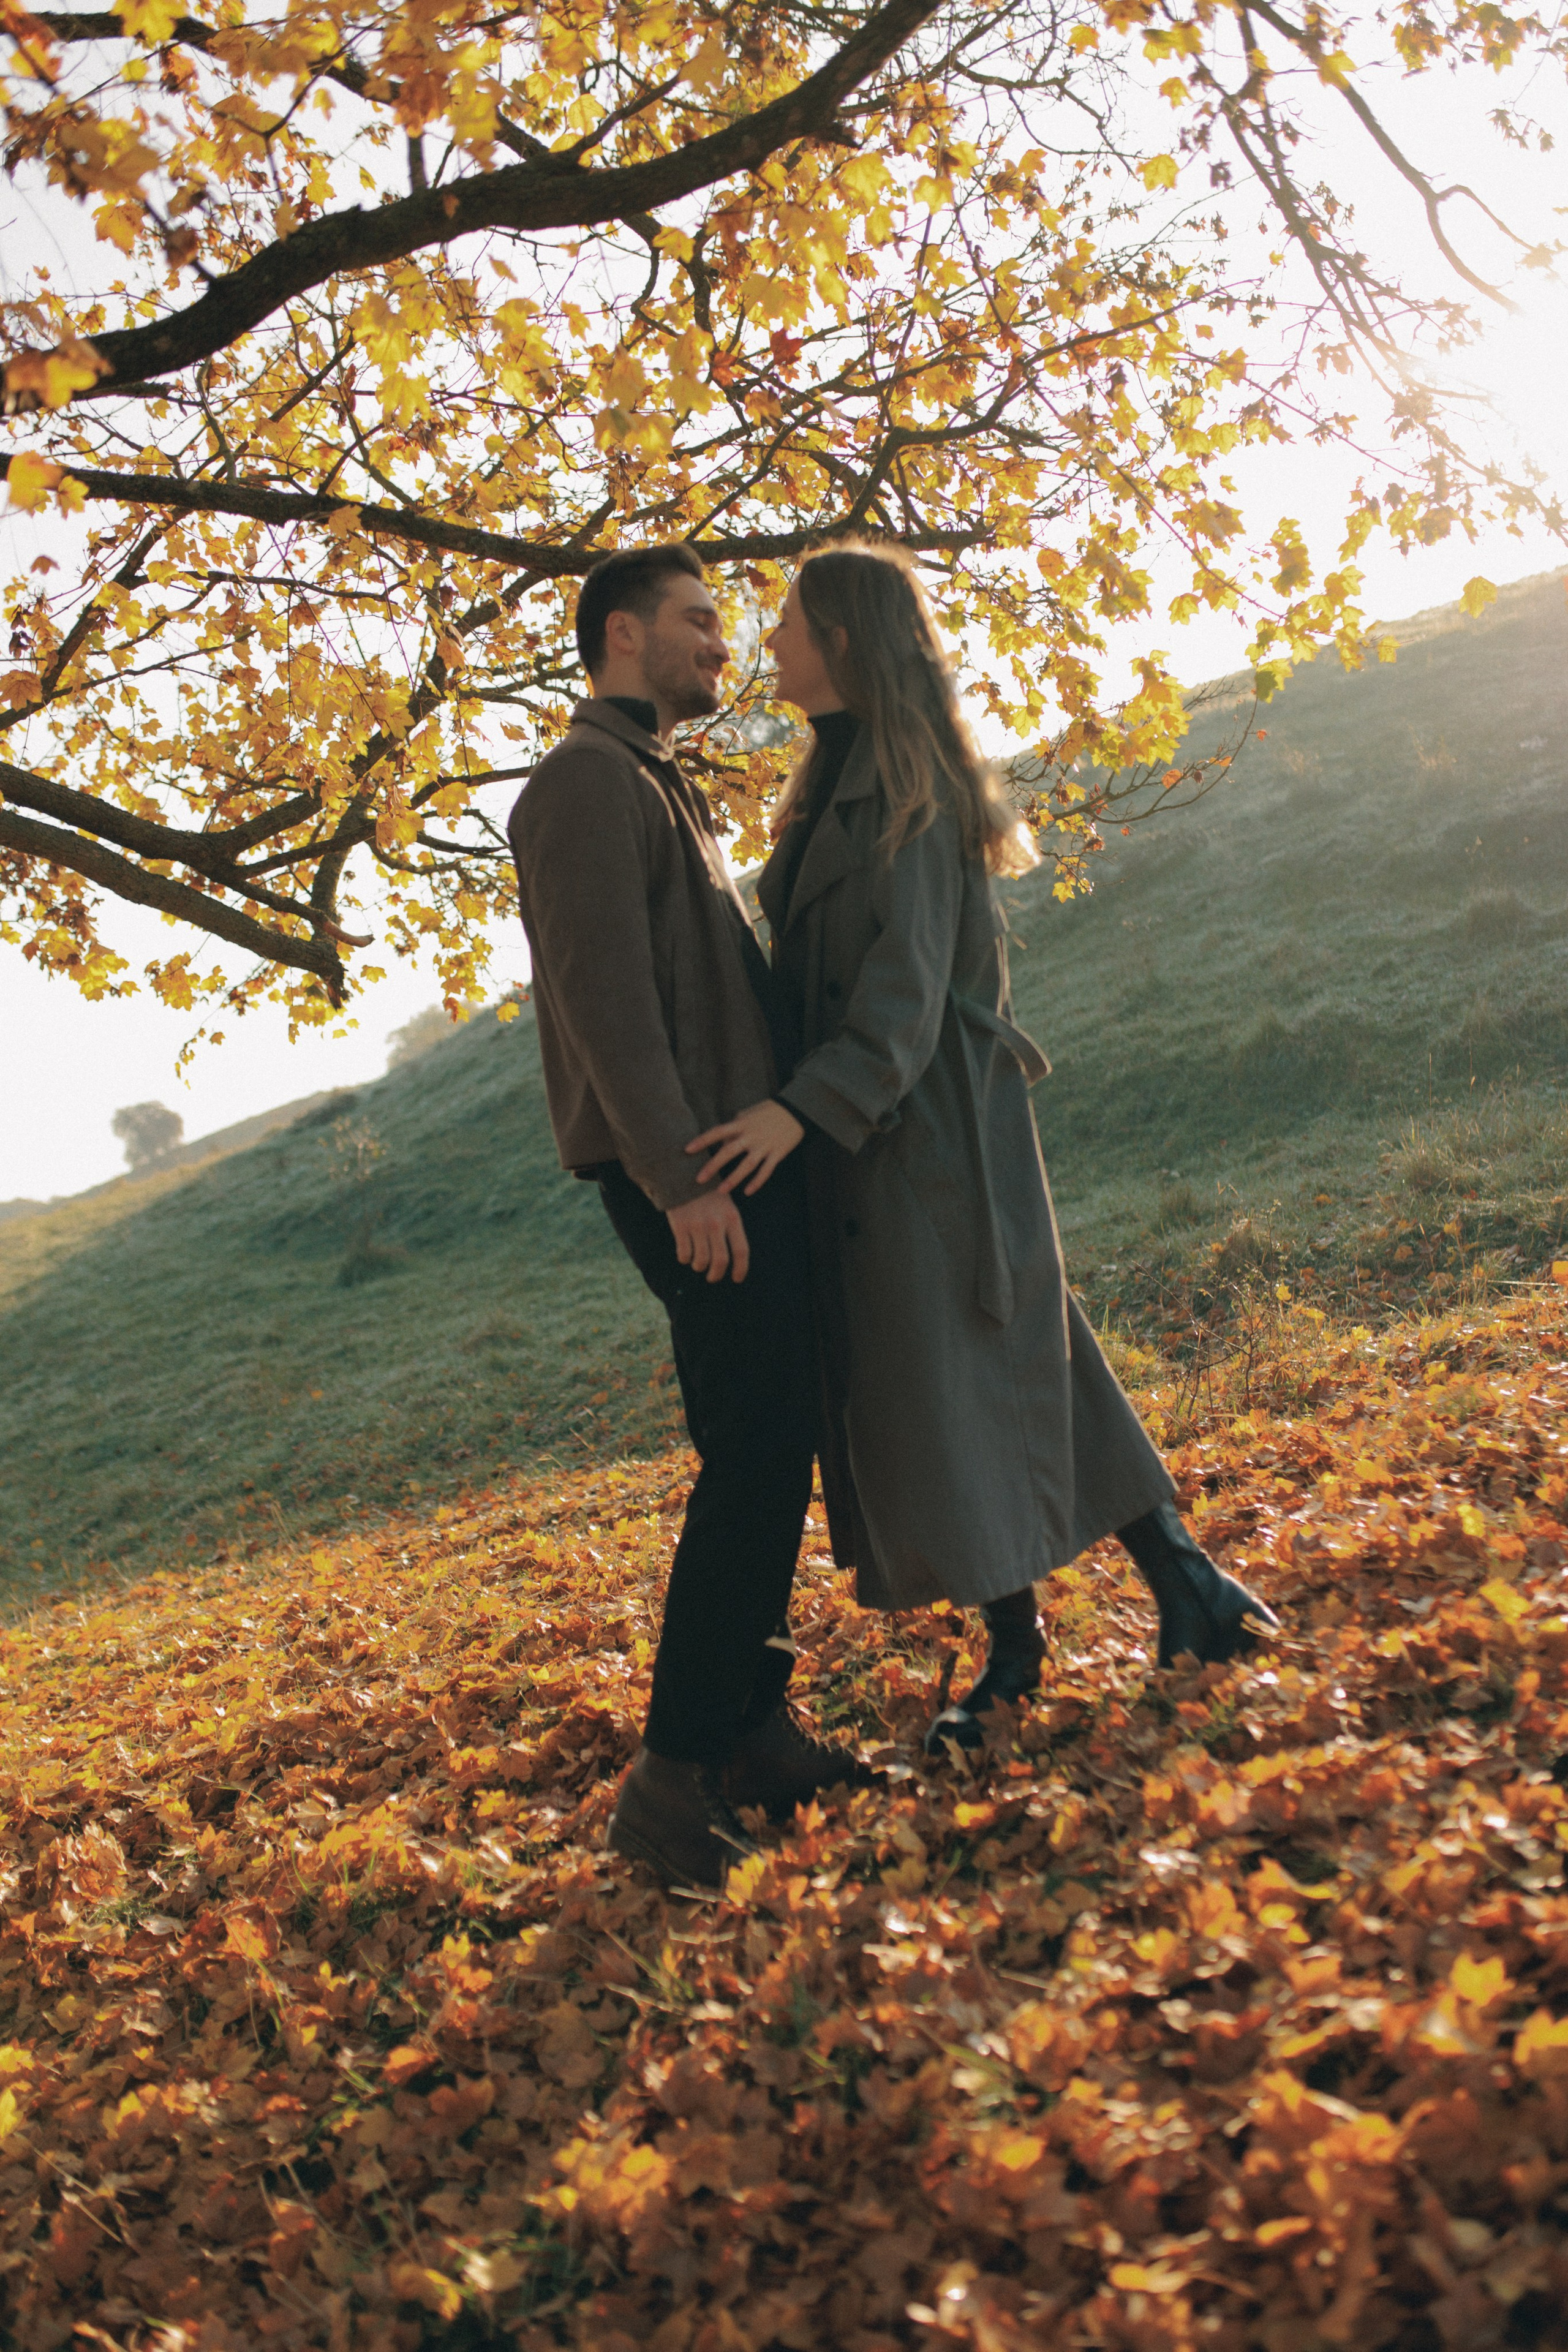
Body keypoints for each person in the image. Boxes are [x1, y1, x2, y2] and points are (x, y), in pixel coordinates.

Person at [690, 543, 1280, 1752]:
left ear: (843, 640)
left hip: (926, 1148)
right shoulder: (830, 780)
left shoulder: (907, 791)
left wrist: (795, 1110)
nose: (774, 647)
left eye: (792, 625)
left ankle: (1025, 1656)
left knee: (953, 1393)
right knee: (996, 1379)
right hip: (888, 1152)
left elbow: (900, 1003)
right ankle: (1183, 1595)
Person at [507, 544, 867, 1887]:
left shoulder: (651, 777)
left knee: (771, 1438)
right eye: (698, 621)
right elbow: (604, 1002)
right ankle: (671, 1785)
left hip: (726, 1162)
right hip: (690, 1178)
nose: (724, 644)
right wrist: (679, 1180)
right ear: (621, 636)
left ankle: (751, 1728)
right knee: (752, 1448)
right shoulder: (580, 786)